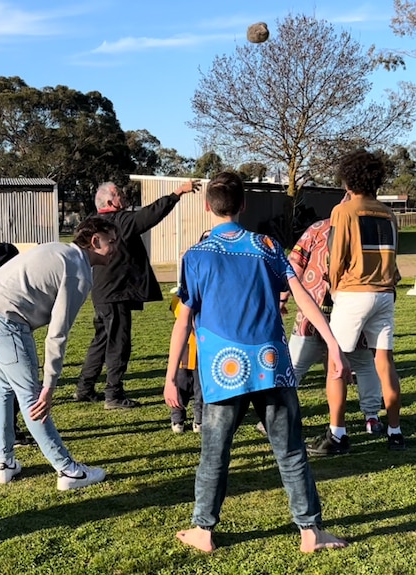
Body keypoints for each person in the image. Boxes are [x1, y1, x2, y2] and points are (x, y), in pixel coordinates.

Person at [164, 172, 348, 554]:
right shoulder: (266, 245)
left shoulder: (195, 256)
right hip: (271, 365)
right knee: (291, 450)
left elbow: (183, 319)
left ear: (205, 206)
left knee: (214, 454)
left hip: (220, 372)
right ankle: (310, 531)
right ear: (244, 204)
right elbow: (301, 296)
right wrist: (332, 345)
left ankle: (203, 530)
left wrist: (171, 377)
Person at [0, 217, 116, 491]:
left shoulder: (60, 250)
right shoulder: (77, 270)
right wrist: (49, 385)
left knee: (2, 388)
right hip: (4, 319)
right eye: (112, 241)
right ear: (95, 241)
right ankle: (68, 470)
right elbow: (57, 333)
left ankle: (5, 463)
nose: (116, 247)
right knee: (32, 398)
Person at [309, 149, 405, 454]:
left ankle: (337, 435)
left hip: (354, 292)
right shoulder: (389, 213)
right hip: (384, 294)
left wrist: (335, 289)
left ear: (348, 179)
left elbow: (336, 257)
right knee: (384, 363)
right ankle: (395, 432)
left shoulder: (344, 211)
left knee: (336, 362)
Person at [76, 180, 198, 409]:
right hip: (116, 293)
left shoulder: (90, 223)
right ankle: (113, 394)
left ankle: (85, 387)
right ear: (111, 201)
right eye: (119, 193)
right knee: (119, 344)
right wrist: (177, 193)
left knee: (101, 340)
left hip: (100, 292)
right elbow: (149, 216)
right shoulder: (119, 222)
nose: (123, 196)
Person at [280, 215, 385, 441]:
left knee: (293, 367)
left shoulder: (318, 228)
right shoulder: (368, 229)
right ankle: (372, 416)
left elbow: (295, 263)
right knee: (363, 364)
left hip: (314, 308)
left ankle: (278, 416)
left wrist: (283, 296)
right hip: (351, 309)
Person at [0, 241, 35, 448]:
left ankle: (8, 431)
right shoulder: (8, 285)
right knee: (14, 387)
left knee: (4, 387)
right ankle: (11, 432)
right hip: (7, 338)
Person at [168, 288, 204, 434]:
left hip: (195, 351)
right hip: (188, 350)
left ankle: (197, 420)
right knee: (185, 387)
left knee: (198, 389)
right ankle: (180, 419)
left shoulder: (182, 298)